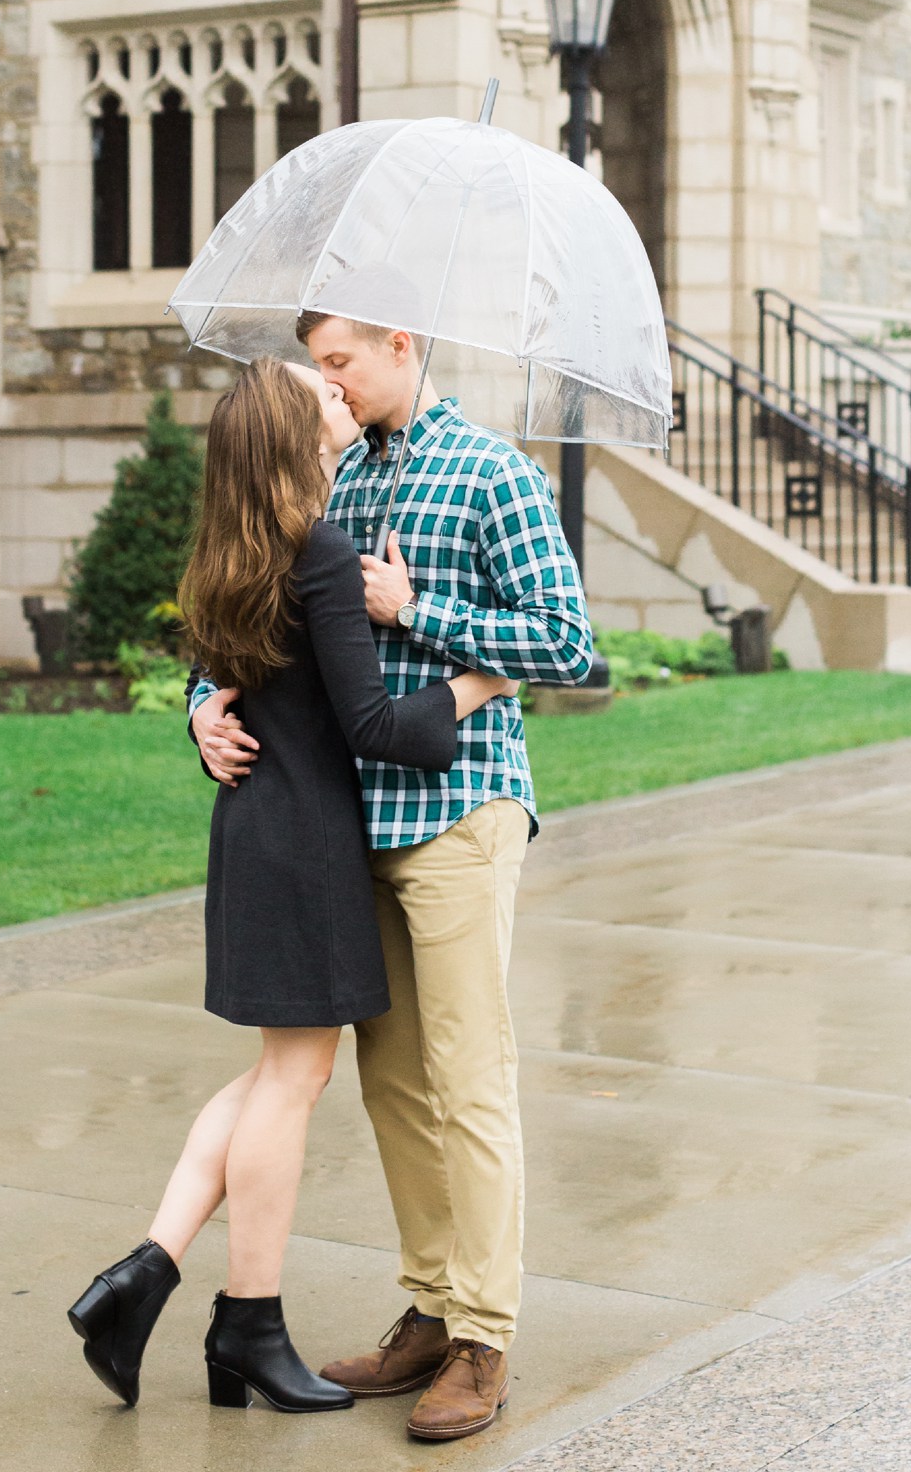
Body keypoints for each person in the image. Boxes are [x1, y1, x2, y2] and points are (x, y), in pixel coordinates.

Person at [67, 358, 515, 1418]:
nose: (334, 394)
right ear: (291, 431)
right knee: (294, 1080)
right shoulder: (318, 547)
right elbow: (370, 725)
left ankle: (145, 1271)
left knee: (277, 1070)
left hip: (250, 830)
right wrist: (474, 683)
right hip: (310, 837)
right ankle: (247, 1318)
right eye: (315, 389)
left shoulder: (229, 548)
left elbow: (228, 679)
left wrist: (199, 712)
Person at [192, 317, 591, 1444]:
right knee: (394, 1082)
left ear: (401, 344)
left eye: (340, 363)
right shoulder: (330, 469)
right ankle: (428, 1305)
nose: (326, 382)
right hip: (349, 821)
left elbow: (565, 641)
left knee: (470, 1075)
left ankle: (485, 1333)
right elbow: (251, 617)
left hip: (462, 808)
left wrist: (413, 607)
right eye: (316, 366)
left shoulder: (493, 472)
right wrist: (202, 711)